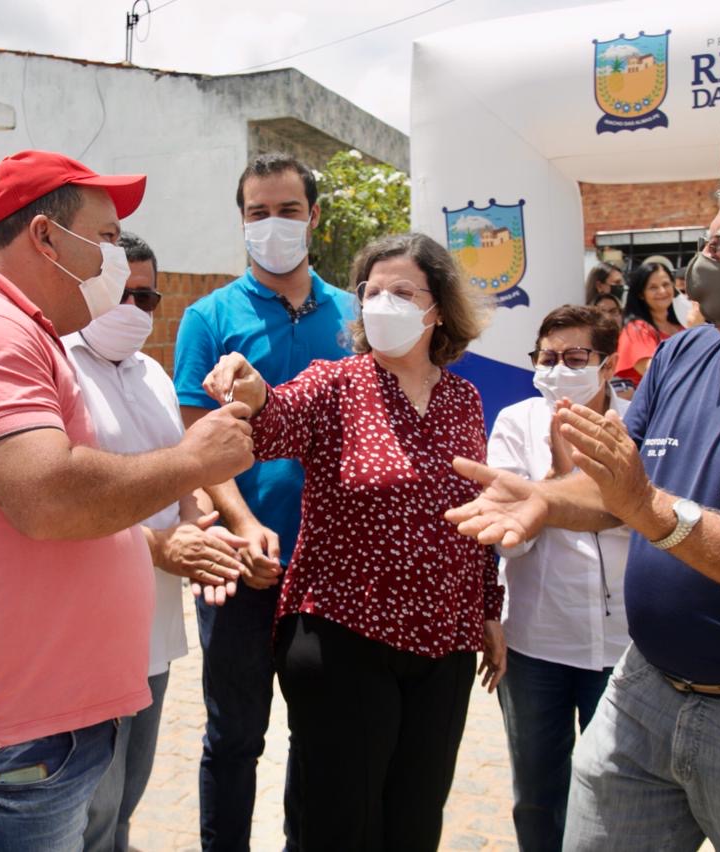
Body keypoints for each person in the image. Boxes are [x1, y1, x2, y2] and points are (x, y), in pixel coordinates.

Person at [448, 151, 720, 851]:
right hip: (646, 687)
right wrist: (542, 499)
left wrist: (652, 510)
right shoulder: (686, 355)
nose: (701, 261)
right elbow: (612, 489)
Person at [0, 151, 255, 852]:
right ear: (47, 237)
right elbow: (47, 497)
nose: (116, 256)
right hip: (3, 740)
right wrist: (192, 462)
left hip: (29, 731)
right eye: (107, 237)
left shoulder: (13, 329)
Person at [201, 232, 505, 851]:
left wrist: (487, 610)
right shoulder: (335, 384)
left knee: (416, 822)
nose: (382, 302)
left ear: (438, 308)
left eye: (403, 291)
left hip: (444, 641)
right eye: (371, 291)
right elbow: (276, 417)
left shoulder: (464, 399)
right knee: (340, 825)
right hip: (344, 636)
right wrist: (253, 388)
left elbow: (479, 510)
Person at [173, 152, 357, 850]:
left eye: (286, 210)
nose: (272, 224)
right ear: (241, 221)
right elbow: (198, 440)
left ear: (313, 216)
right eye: (257, 212)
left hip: (332, 574)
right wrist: (245, 525)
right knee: (235, 737)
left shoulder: (355, 314)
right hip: (240, 567)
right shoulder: (207, 317)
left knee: (319, 739)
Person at [68, 232, 249, 852]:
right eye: (119, 293)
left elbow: (183, 479)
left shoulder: (151, 373)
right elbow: (68, 501)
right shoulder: (55, 367)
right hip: (87, 637)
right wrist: (159, 545)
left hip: (155, 633)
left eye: (145, 297)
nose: (133, 309)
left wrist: (203, 531)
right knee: (91, 814)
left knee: (125, 806)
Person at [488, 305, 630, 852]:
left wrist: (588, 497)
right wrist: (550, 482)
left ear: (608, 363)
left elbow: (648, 523)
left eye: (575, 358)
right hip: (537, 644)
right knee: (538, 793)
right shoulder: (516, 423)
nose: (558, 369)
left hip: (622, 649)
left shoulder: (637, 422)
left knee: (616, 788)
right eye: (547, 358)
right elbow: (508, 538)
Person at [613, 261, 682, 387]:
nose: (662, 291)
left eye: (666, 284)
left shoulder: (682, 326)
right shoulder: (636, 330)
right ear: (641, 294)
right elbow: (654, 374)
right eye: (653, 287)